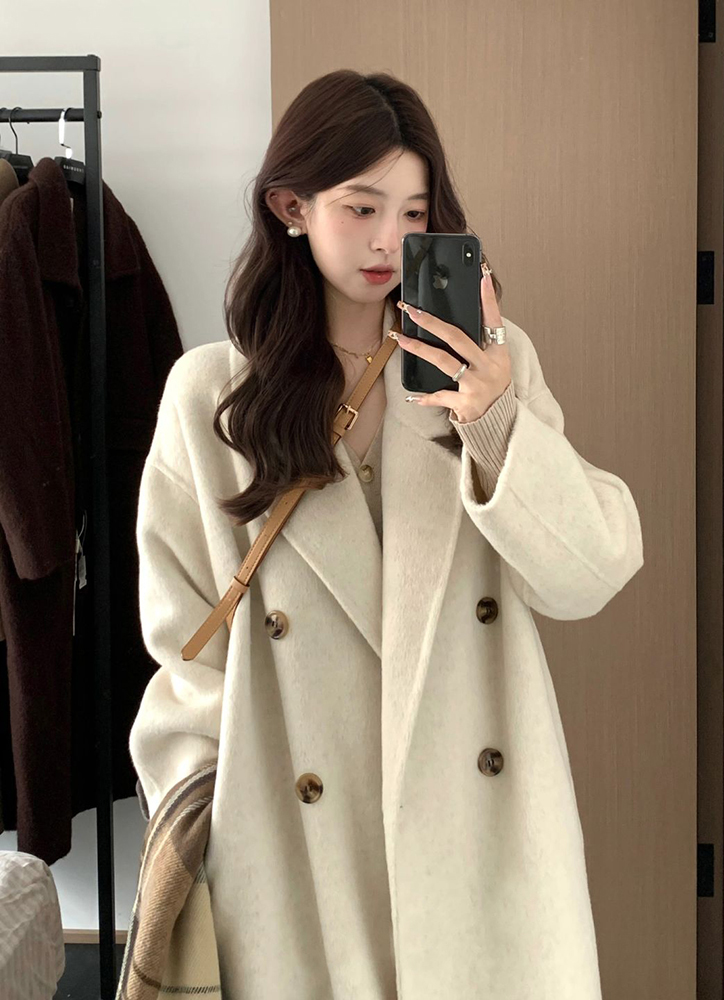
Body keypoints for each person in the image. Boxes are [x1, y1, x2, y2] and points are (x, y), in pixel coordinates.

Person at [129, 69, 644, 1000]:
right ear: (291, 206)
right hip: (295, 850)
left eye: (413, 213)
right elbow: (185, 642)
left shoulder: (493, 365)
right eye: (360, 208)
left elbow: (590, 575)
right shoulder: (213, 398)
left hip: (477, 848)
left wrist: (495, 423)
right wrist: (208, 799)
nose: (387, 241)